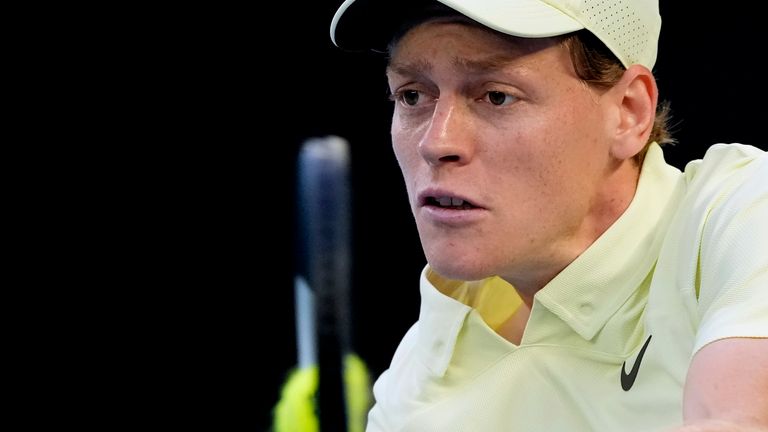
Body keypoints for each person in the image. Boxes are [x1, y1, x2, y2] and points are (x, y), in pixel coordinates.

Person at [329, 0, 768, 431]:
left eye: (497, 96)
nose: (436, 142)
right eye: (412, 96)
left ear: (629, 112)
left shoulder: (743, 208)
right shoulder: (410, 394)